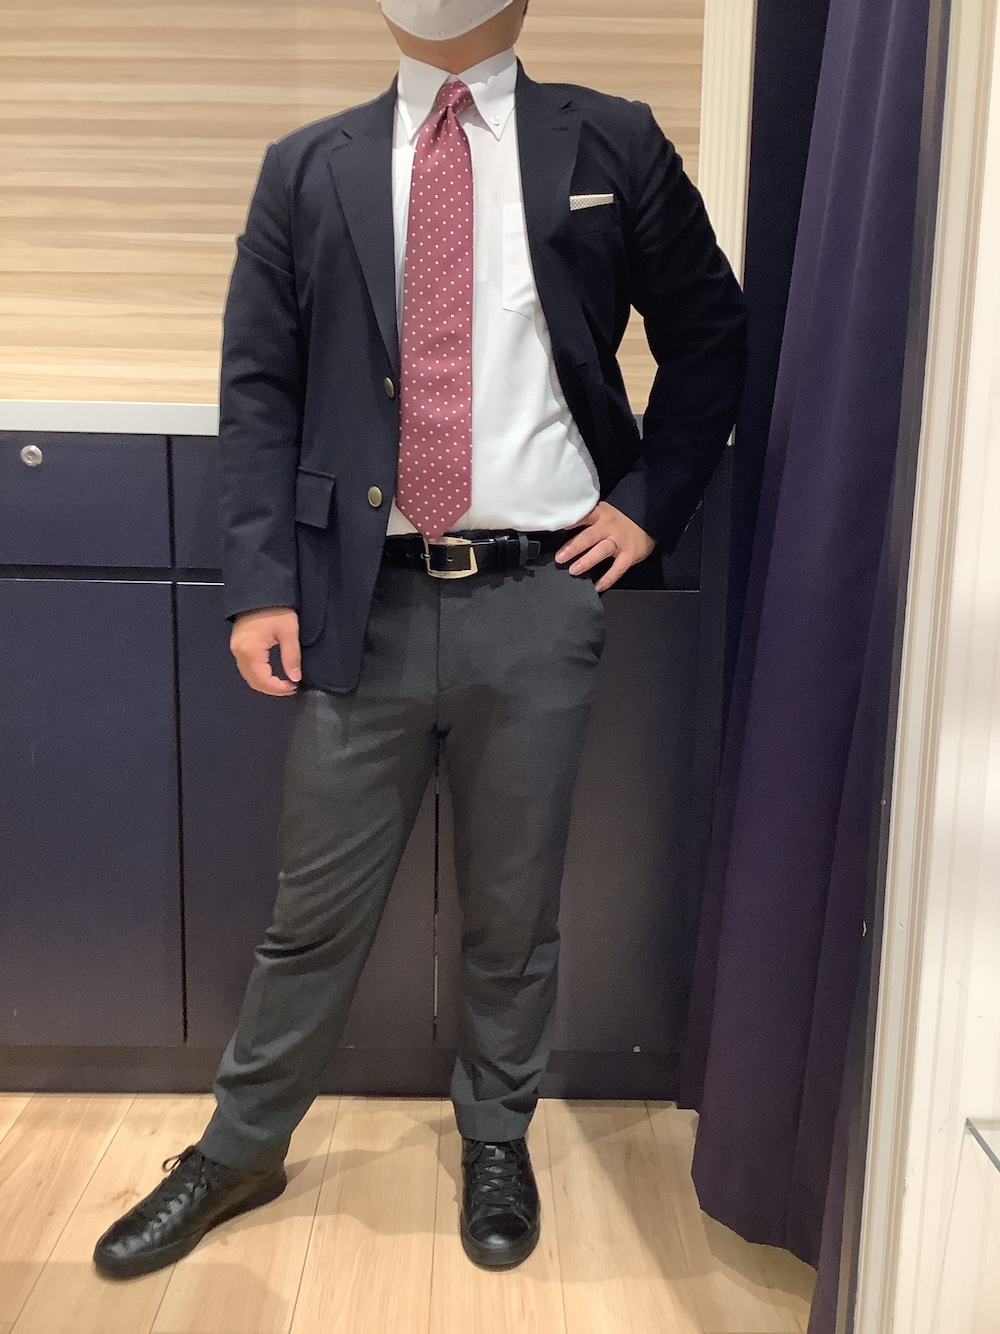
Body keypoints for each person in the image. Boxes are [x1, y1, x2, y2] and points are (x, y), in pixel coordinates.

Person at [93, 0, 746, 1280]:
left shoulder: (613, 143)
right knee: (313, 907)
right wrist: (261, 583)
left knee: (513, 905)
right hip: (362, 600)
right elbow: (259, 385)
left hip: (540, 592)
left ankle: (496, 1134)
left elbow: (710, 337)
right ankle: (239, 1145)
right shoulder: (307, 166)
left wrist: (648, 499)